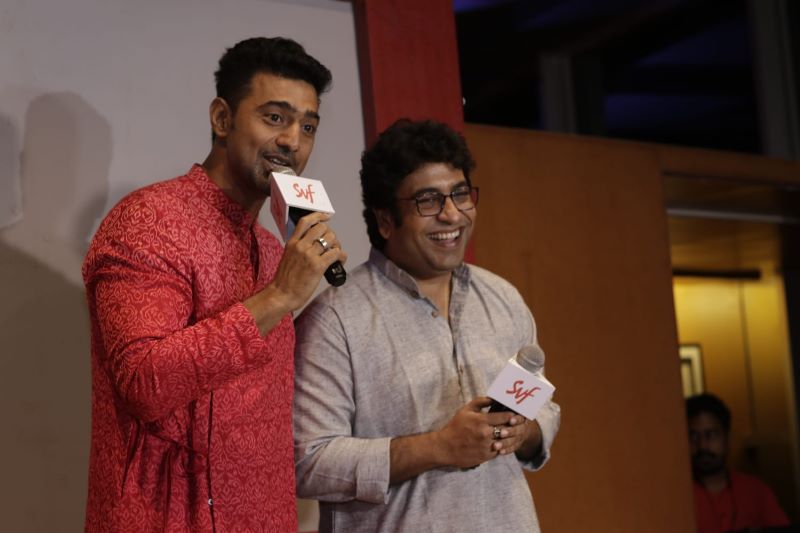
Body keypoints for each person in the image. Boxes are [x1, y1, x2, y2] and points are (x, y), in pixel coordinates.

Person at [82, 37, 347, 532]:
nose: (293, 141)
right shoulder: (147, 222)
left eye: (308, 126)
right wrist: (278, 299)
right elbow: (144, 383)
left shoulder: (274, 251)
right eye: (275, 117)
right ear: (222, 119)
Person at [293, 119, 561, 532]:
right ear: (385, 219)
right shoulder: (334, 319)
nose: (451, 214)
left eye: (460, 194)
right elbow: (308, 462)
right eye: (428, 201)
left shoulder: (503, 297)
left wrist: (523, 432)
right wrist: (437, 447)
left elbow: (544, 408)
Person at [687, 393, 790, 533]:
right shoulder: (677, 495)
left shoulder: (756, 490)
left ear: (727, 438)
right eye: (693, 437)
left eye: (711, 435)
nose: (702, 446)